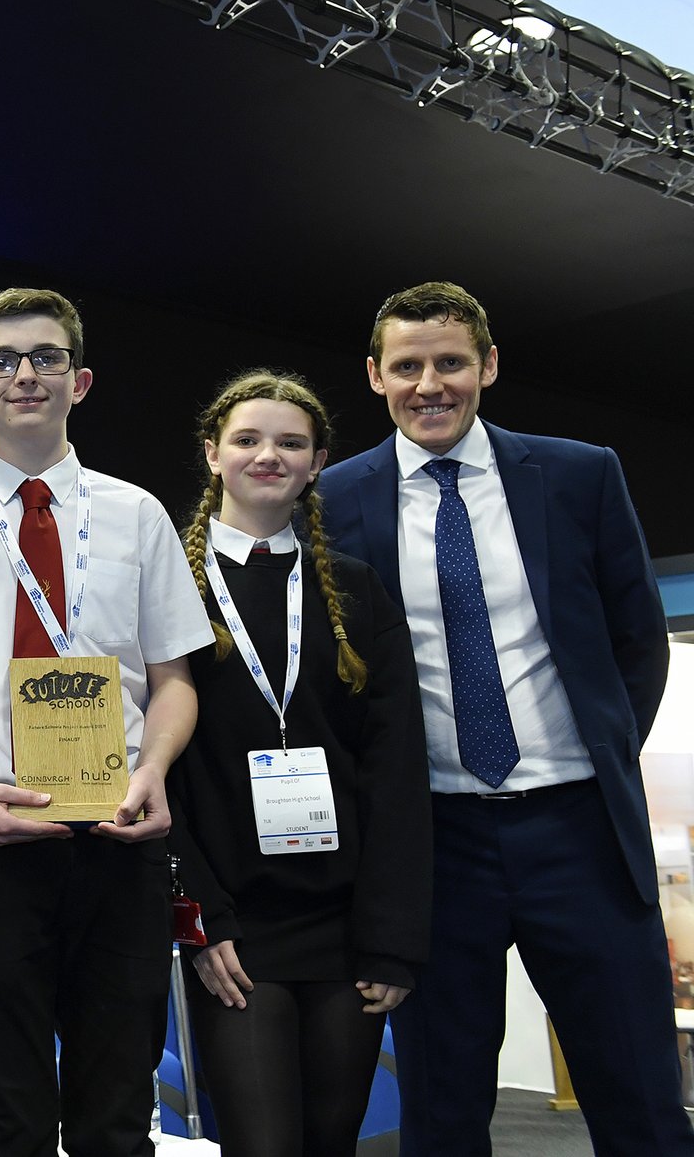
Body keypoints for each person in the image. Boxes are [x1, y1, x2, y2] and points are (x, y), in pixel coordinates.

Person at [319, 282, 688, 1156]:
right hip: (433, 845)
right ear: (376, 377)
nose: (430, 384)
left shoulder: (578, 473)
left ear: (487, 365)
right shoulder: (334, 497)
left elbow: (639, 641)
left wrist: (596, 757)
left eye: (450, 362)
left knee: (638, 1101)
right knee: (443, 1115)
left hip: (581, 834)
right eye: (407, 367)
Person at [0, 286, 213, 1157]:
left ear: (82, 380)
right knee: (6, 1113)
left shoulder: (138, 514)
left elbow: (174, 678)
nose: (25, 374)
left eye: (46, 358)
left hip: (119, 837)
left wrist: (153, 773)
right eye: (1, 361)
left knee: (115, 1113)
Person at [166, 370, 430, 1157]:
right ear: (213, 454)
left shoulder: (356, 589)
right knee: (261, 1144)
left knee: (331, 1143)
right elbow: (157, 773)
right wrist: (200, 920)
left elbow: (394, 770)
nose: (268, 456)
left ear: (318, 463)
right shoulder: (168, 585)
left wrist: (391, 939)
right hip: (234, 929)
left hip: (346, 929)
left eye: (291, 443)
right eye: (247, 440)